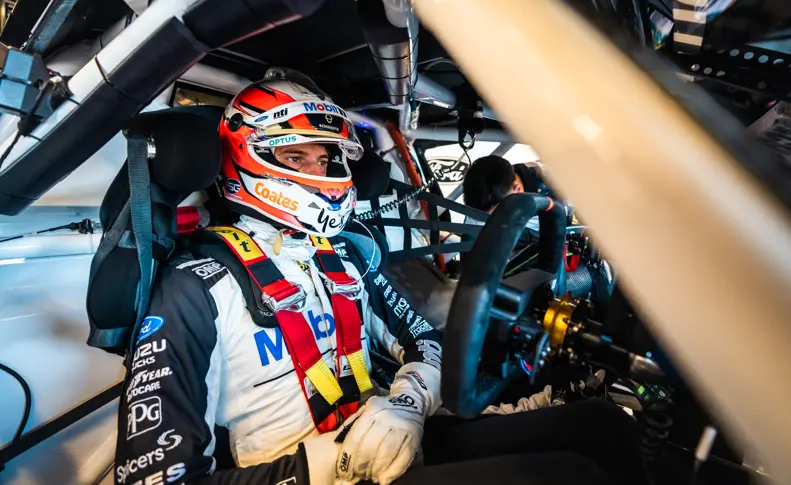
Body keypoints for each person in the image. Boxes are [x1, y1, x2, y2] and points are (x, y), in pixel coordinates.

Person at [114, 75, 641, 485]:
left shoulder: (340, 255)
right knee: (568, 478)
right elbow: (152, 478)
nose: (321, 174)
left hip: (398, 439)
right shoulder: (194, 286)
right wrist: (328, 463)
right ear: (246, 156)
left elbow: (426, 340)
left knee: (603, 425)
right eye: (296, 157)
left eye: (326, 158)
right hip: (312, 473)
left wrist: (407, 404)